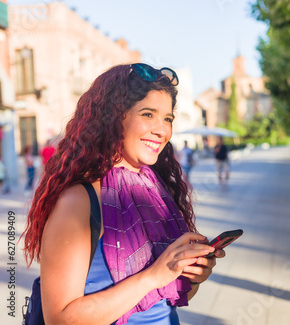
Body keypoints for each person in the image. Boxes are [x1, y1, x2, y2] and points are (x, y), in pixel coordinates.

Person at [22, 63, 225, 325]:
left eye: (167, 118)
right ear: (115, 116)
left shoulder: (156, 190)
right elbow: (59, 319)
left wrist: (191, 273)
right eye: (148, 114)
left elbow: (163, 302)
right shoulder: (79, 200)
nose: (162, 130)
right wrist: (153, 275)